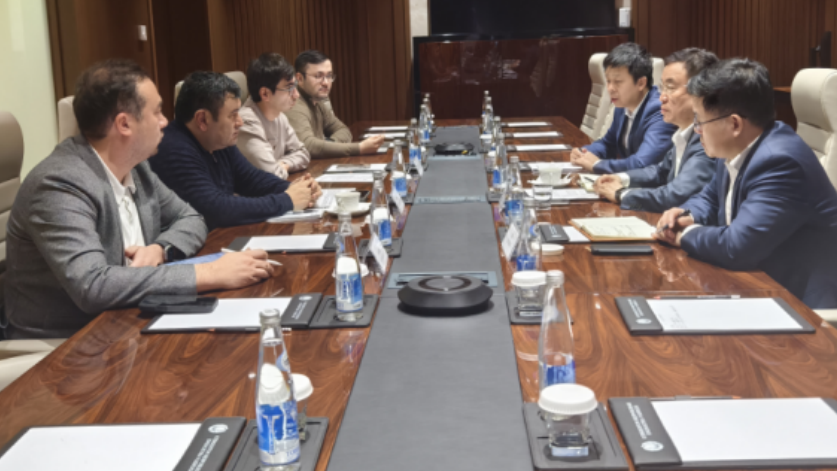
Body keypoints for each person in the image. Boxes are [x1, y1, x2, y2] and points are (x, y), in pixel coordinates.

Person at [5, 60, 276, 339]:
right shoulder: (59, 184)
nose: (164, 122)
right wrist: (209, 273)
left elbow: (191, 218)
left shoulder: (137, 168)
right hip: (69, 341)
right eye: (157, 111)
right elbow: (93, 286)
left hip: (130, 320)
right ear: (124, 124)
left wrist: (161, 248)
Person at [655, 58, 837, 309]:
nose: (697, 130)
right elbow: (709, 198)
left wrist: (683, 235)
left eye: (700, 120)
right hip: (754, 285)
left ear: (734, 124)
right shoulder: (736, 146)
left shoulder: (780, 162)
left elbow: (736, 248)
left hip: (799, 307)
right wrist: (686, 214)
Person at [150, 71, 321, 230]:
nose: (240, 122)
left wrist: (299, 189)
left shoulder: (217, 141)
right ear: (202, 120)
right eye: (233, 115)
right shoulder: (172, 149)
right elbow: (215, 210)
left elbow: (253, 180)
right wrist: (287, 200)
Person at [594, 48, 718, 212]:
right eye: (662, 87)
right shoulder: (684, 133)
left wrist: (621, 194)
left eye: (670, 87)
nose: (662, 97)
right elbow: (660, 172)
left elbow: (675, 196)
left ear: (701, 92)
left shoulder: (707, 140)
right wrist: (621, 178)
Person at [571, 42, 677, 174]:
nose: (610, 88)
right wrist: (584, 153)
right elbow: (607, 144)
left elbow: (643, 163)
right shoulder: (622, 106)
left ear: (641, 83)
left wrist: (597, 164)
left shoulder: (659, 110)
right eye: (608, 81)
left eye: (618, 82)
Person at [285, 50, 385, 158]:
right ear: (299, 78)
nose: (325, 83)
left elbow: (343, 130)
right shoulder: (293, 104)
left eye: (329, 76)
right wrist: (359, 148)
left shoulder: (317, 100)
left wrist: (330, 145)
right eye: (318, 76)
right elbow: (308, 146)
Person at [238, 52, 310, 179]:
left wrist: (284, 164)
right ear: (265, 94)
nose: (296, 95)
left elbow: (303, 153)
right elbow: (271, 175)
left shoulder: (279, 116)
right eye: (289, 88)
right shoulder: (246, 122)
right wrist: (279, 167)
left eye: (295, 86)